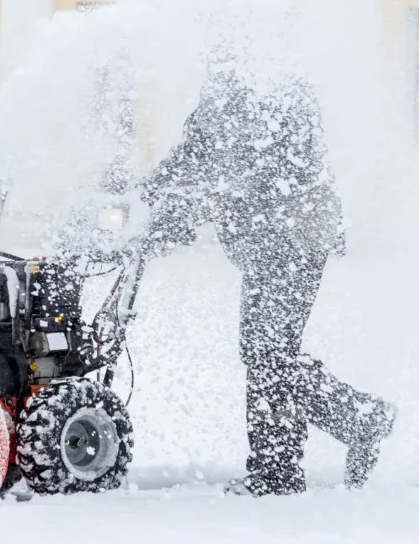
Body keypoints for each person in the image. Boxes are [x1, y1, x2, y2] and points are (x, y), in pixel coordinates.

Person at [137, 57, 397, 496]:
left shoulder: (283, 89)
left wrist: (219, 193)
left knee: (268, 355)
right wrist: (141, 200)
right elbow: (190, 157)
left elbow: (280, 166)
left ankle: (348, 427)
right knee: (267, 354)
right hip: (262, 248)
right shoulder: (219, 96)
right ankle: (290, 461)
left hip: (296, 240)